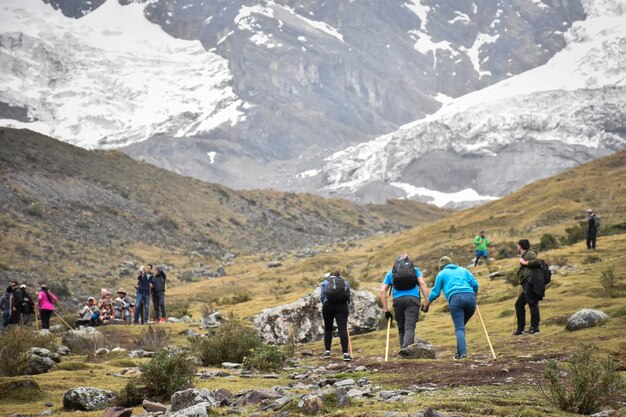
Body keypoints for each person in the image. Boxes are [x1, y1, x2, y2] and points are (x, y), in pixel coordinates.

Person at [422, 256, 479, 360]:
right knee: (460, 327)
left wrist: (426, 305)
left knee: (459, 328)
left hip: (456, 299)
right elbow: (475, 284)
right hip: (470, 299)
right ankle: (459, 352)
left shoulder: (442, 274)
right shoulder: (464, 270)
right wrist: (474, 296)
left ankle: (463, 354)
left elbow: (435, 293)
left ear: (441, 267)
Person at [380, 254, 430, 351]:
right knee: (409, 328)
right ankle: (406, 352)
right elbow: (423, 284)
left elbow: (382, 291)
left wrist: (386, 310)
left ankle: (403, 352)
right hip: (413, 300)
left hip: (398, 301)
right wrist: (427, 302)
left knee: (401, 329)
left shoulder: (392, 272)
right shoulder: (415, 270)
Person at [320, 270, 352, 361]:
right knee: (342, 329)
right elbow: (348, 296)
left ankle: (327, 352)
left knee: (328, 328)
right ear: (340, 276)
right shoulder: (345, 282)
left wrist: (326, 303)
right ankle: (345, 354)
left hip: (328, 306)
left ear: (330, 276)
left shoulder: (325, 283)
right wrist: (345, 304)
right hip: (342, 306)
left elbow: (322, 296)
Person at [513, 239, 541, 335]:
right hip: (526, 284)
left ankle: (535, 327)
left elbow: (537, 262)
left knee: (532, 304)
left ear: (520, 246)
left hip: (531, 283)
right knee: (519, 304)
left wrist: (525, 263)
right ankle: (520, 329)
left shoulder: (529, 253)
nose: (517, 247)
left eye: (517, 246)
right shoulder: (524, 255)